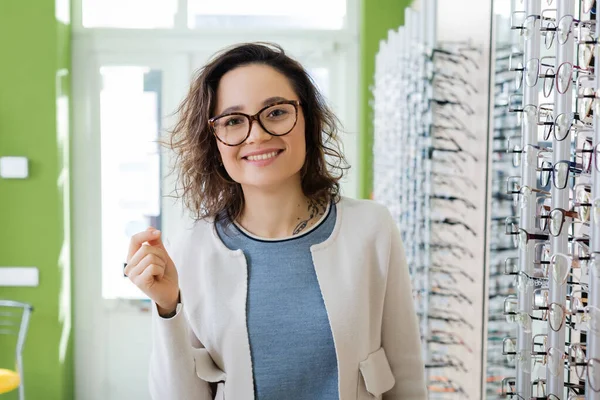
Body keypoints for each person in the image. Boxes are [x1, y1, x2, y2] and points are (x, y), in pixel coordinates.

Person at [124, 42, 426, 400]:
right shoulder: (193, 246)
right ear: (214, 139)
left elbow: (405, 374)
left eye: (276, 112)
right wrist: (167, 307)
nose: (257, 134)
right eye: (234, 121)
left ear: (307, 120)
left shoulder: (371, 229)